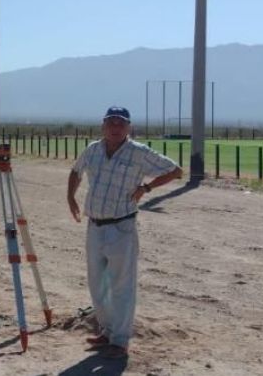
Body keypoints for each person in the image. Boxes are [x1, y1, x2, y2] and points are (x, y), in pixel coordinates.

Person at [67, 106, 182, 359]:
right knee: (98, 283)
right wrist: (71, 198)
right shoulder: (93, 149)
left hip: (122, 226)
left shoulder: (139, 153)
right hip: (94, 226)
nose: (116, 127)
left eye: (121, 123)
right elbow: (76, 171)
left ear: (129, 127)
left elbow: (175, 170)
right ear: (103, 125)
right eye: (111, 122)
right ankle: (106, 331)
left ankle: (120, 340)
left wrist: (147, 188)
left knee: (121, 284)